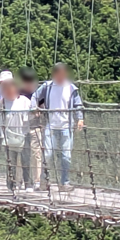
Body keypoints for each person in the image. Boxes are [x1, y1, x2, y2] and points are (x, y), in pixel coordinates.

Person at [33, 63, 83, 191]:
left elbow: (78, 104)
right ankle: (44, 181)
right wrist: (34, 107)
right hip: (51, 126)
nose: (60, 76)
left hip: (66, 127)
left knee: (66, 156)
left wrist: (80, 118)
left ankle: (64, 183)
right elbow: (35, 96)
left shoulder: (71, 88)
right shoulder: (47, 86)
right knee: (48, 155)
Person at [19, 67, 43, 190]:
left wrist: (39, 111)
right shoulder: (18, 93)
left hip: (35, 126)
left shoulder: (38, 94)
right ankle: (20, 180)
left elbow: (43, 108)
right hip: (21, 128)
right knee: (21, 155)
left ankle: (37, 180)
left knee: (36, 154)